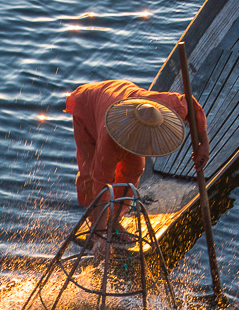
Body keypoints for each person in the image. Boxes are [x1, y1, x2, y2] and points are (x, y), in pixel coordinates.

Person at [64, 79, 208, 251]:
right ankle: (98, 227)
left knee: (134, 168)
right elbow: (101, 183)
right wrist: (100, 238)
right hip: (88, 104)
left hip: (124, 98)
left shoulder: (166, 106)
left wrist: (203, 144)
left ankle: (114, 219)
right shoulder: (108, 141)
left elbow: (191, 105)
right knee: (89, 169)